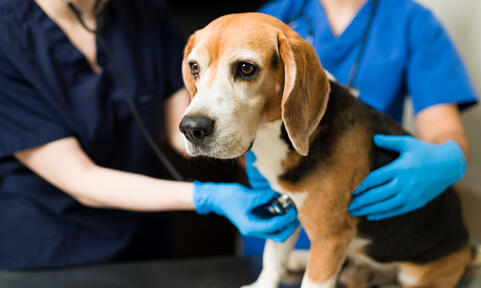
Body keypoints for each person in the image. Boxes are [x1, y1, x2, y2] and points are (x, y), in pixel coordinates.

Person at [0, 0, 299, 269]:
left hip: (145, 245)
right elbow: (80, 178)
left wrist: (287, 165)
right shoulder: (7, 35)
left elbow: (183, 130)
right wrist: (210, 196)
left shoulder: (143, 13)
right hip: (49, 252)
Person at [243, 0, 478, 254]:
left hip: (366, 233)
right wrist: (254, 161)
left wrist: (447, 158)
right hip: (281, 227)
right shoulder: (274, 17)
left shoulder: (412, 22)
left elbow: (442, 129)